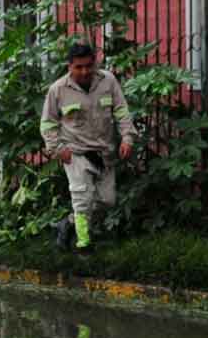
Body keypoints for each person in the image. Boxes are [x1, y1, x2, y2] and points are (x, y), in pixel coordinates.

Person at [40, 42, 136, 252]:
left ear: (94, 64)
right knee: (82, 198)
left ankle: (67, 224)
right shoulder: (57, 90)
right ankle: (83, 245)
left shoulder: (108, 81)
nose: (84, 72)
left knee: (106, 201)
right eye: (79, 67)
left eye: (88, 66)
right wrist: (57, 149)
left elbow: (121, 111)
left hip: (104, 151)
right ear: (69, 66)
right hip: (76, 153)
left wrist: (127, 138)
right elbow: (47, 124)